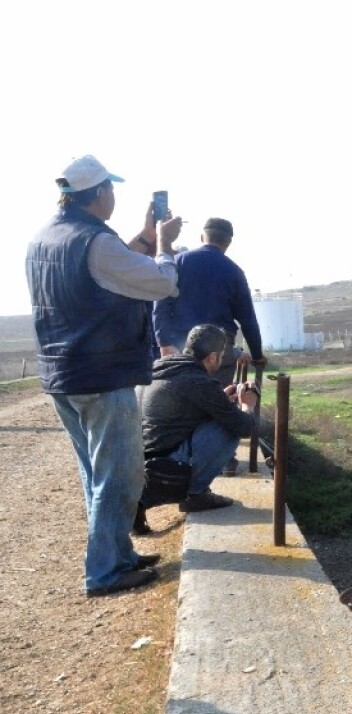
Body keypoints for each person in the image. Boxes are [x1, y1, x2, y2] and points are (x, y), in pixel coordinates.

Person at [26, 154, 183, 596]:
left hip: (63, 374)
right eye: (110, 189)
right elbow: (160, 283)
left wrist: (142, 237)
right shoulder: (95, 241)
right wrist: (165, 245)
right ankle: (105, 571)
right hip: (100, 375)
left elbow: (101, 273)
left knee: (96, 473)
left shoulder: (44, 239)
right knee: (120, 474)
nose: (114, 195)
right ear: (98, 195)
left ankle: (119, 554)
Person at [139, 324, 259, 515]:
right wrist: (248, 405)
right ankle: (195, 494)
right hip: (167, 470)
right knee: (228, 428)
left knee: (221, 418)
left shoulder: (163, 367)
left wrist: (220, 398)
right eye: (221, 355)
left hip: (142, 464)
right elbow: (244, 427)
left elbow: (180, 409)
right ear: (212, 357)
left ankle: (150, 497)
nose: (221, 360)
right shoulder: (199, 380)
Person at [153, 217, 264, 388]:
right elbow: (248, 319)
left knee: (180, 402)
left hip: (181, 347)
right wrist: (257, 355)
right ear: (228, 242)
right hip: (218, 352)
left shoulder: (177, 263)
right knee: (217, 401)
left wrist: (164, 342)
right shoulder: (234, 272)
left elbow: (161, 302)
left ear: (202, 237)